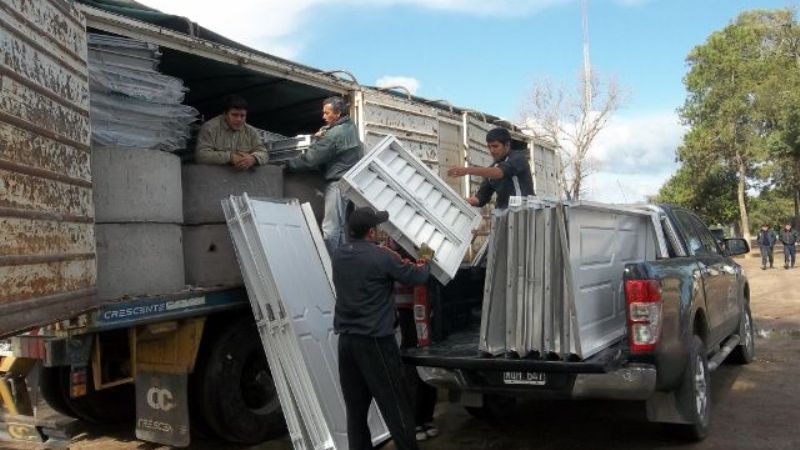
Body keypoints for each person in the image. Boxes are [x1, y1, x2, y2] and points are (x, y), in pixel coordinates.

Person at [333, 208, 430, 450]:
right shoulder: (381, 256)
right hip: (376, 341)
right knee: (396, 406)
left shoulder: (339, 254)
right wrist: (426, 256)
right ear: (372, 231)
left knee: (355, 411)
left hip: (347, 342)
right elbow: (417, 276)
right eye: (378, 227)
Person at [287, 97, 363, 254]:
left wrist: (288, 165)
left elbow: (312, 158)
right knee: (340, 226)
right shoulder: (350, 126)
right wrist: (321, 135)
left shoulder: (334, 134)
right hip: (347, 181)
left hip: (337, 183)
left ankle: (333, 265)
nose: (323, 116)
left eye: (327, 113)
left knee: (330, 229)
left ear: (338, 113)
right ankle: (343, 260)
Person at [388, 241, 439, 442]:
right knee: (411, 368)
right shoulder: (393, 249)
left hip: (425, 309)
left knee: (428, 362)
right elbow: (414, 274)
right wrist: (424, 259)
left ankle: (427, 418)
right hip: (407, 311)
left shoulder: (423, 240)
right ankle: (415, 421)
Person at [446, 127, 534, 209]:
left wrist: (467, 170)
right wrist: (457, 202)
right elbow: (480, 198)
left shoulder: (518, 158)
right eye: (489, 147)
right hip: (503, 217)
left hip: (523, 214)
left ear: (507, 145)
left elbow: (499, 173)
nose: (492, 151)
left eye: (495, 146)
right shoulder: (492, 169)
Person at [195, 95, 268, 169]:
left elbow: (264, 153)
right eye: (234, 115)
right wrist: (230, 157)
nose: (239, 119)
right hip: (214, 176)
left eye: (242, 116)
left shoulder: (251, 132)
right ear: (225, 114)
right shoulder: (209, 128)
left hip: (243, 177)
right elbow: (201, 156)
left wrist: (253, 159)